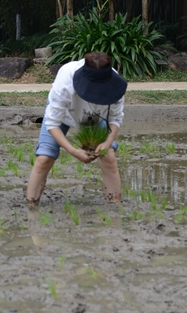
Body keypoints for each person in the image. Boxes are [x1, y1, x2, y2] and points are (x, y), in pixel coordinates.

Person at [26, 52, 127, 206]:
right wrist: (73, 151)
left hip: (96, 117)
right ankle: (31, 205)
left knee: (109, 157)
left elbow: (115, 118)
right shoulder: (65, 80)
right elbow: (52, 123)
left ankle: (115, 204)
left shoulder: (115, 85)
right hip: (65, 115)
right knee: (44, 158)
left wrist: (107, 143)